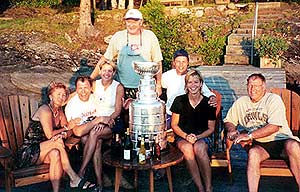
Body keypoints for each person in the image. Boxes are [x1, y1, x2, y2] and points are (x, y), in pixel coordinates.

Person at [224, 73, 300, 192]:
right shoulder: (241, 102)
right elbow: (229, 120)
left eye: (256, 86)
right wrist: (232, 129)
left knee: (293, 145)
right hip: (261, 144)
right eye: (250, 85)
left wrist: (249, 135)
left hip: (281, 140)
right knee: (253, 154)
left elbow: (274, 127)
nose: (252, 89)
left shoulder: (273, 99)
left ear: (264, 86)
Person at [15, 82, 95, 192]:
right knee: (57, 142)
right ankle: (73, 177)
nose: (61, 97)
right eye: (58, 94)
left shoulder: (60, 112)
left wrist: (65, 133)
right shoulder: (45, 110)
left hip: (45, 152)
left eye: (64, 95)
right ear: (50, 96)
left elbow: (70, 130)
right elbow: (50, 134)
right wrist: (66, 128)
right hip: (28, 152)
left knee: (55, 153)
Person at [90, 8, 163, 106]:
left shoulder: (150, 36)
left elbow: (158, 62)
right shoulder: (118, 36)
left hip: (145, 86)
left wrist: (158, 84)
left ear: (141, 22)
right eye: (129, 22)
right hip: (122, 86)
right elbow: (106, 58)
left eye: (135, 22)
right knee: (124, 116)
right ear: (125, 22)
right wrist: (90, 79)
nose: (131, 25)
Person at [171, 69, 216, 192]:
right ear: (186, 85)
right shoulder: (179, 100)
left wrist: (198, 137)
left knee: (199, 148)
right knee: (187, 149)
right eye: (189, 82)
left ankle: (208, 187)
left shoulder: (208, 103)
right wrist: (186, 136)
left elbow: (211, 128)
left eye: (196, 82)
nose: (193, 85)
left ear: (201, 84)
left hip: (203, 136)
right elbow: (174, 125)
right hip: (183, 136)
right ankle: (200, 187)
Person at [65, 76, 112, 192]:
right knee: (96, 142)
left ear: (91, 88)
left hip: (103, 130)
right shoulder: (72, 105)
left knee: (93, 136)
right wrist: (97, 120)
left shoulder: (96, 98)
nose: (83, 91)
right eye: (80, 88)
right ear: (76, 89)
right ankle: (100, 182)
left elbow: (107, 119)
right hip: (89, 133)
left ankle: (82, 171)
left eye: (86, 87)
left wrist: (100, 121)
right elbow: (77, 130)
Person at [162, 49, 216, 129]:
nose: (181, 65)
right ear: (173, 63)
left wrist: (212, 98)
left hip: (188, 115)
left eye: (184, 62)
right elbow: (159, 86)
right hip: (171, 113)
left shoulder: (192, 76)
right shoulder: (167, 75)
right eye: (178, 62)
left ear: (188, 63)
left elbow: (207, 92)